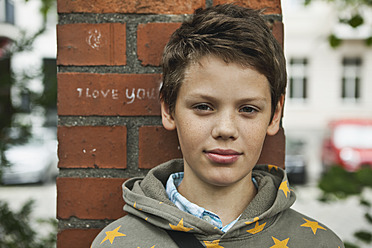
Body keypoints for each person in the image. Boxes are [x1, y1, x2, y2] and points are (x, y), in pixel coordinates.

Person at [91, 4, 344, 248]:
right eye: (203, 107)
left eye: (248, 109)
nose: (225, 129)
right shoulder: (118, 242)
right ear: (168, 109)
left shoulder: (318, 243)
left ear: (275, 115)